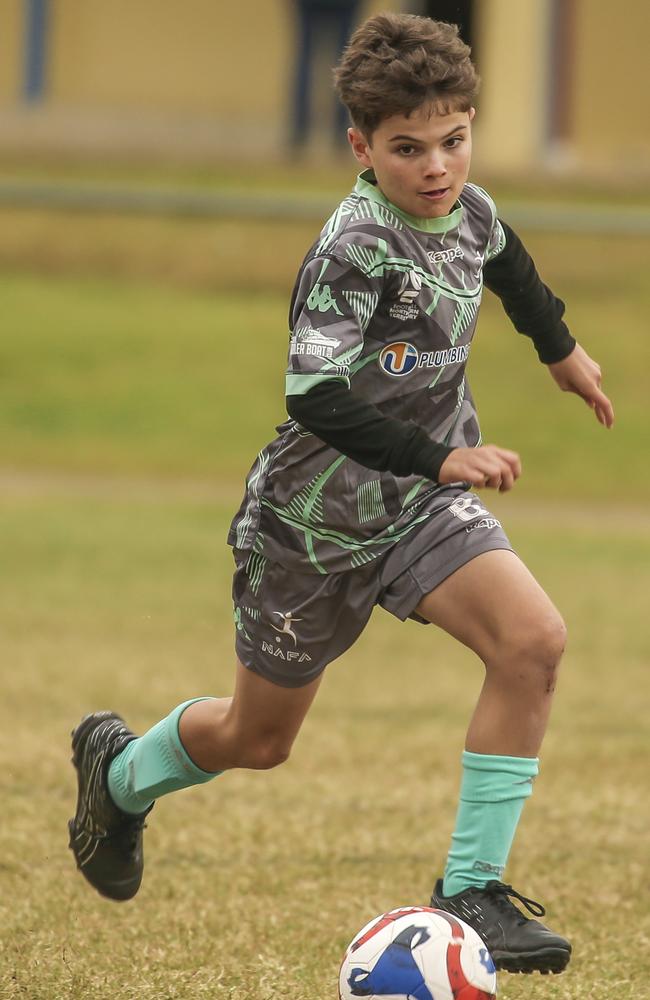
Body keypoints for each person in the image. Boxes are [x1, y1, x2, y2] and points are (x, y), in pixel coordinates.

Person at [68, 13, 614, 977]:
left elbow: (509, 266)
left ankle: (473, 892)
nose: (438, 166)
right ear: (361, 147)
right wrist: (438, 457)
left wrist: (562, 351)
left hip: (418, 506)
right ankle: (117, 773)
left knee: (533, 642)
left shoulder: (469, 209)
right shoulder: (353, 251)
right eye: (409, 149)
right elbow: (314, 397)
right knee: (259, 739)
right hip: (312, 527)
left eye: (455, 139)